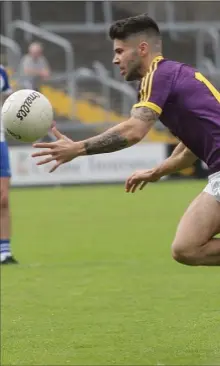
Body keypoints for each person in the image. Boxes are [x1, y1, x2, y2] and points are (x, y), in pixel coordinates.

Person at [32, 14, 220, 267]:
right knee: (187, 247)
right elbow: (191, 146)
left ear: (142, 49)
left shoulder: (159, 75)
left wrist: (77, 148)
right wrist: (156, 172)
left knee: (189, 247)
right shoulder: (171, 76)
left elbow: (134, 130)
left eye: (120, 51)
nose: (115, 59)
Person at [0, 64, 18, 264]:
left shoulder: (2, 72)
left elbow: (10, 104)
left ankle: (5, 252)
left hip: (0, 141)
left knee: (3, 199)